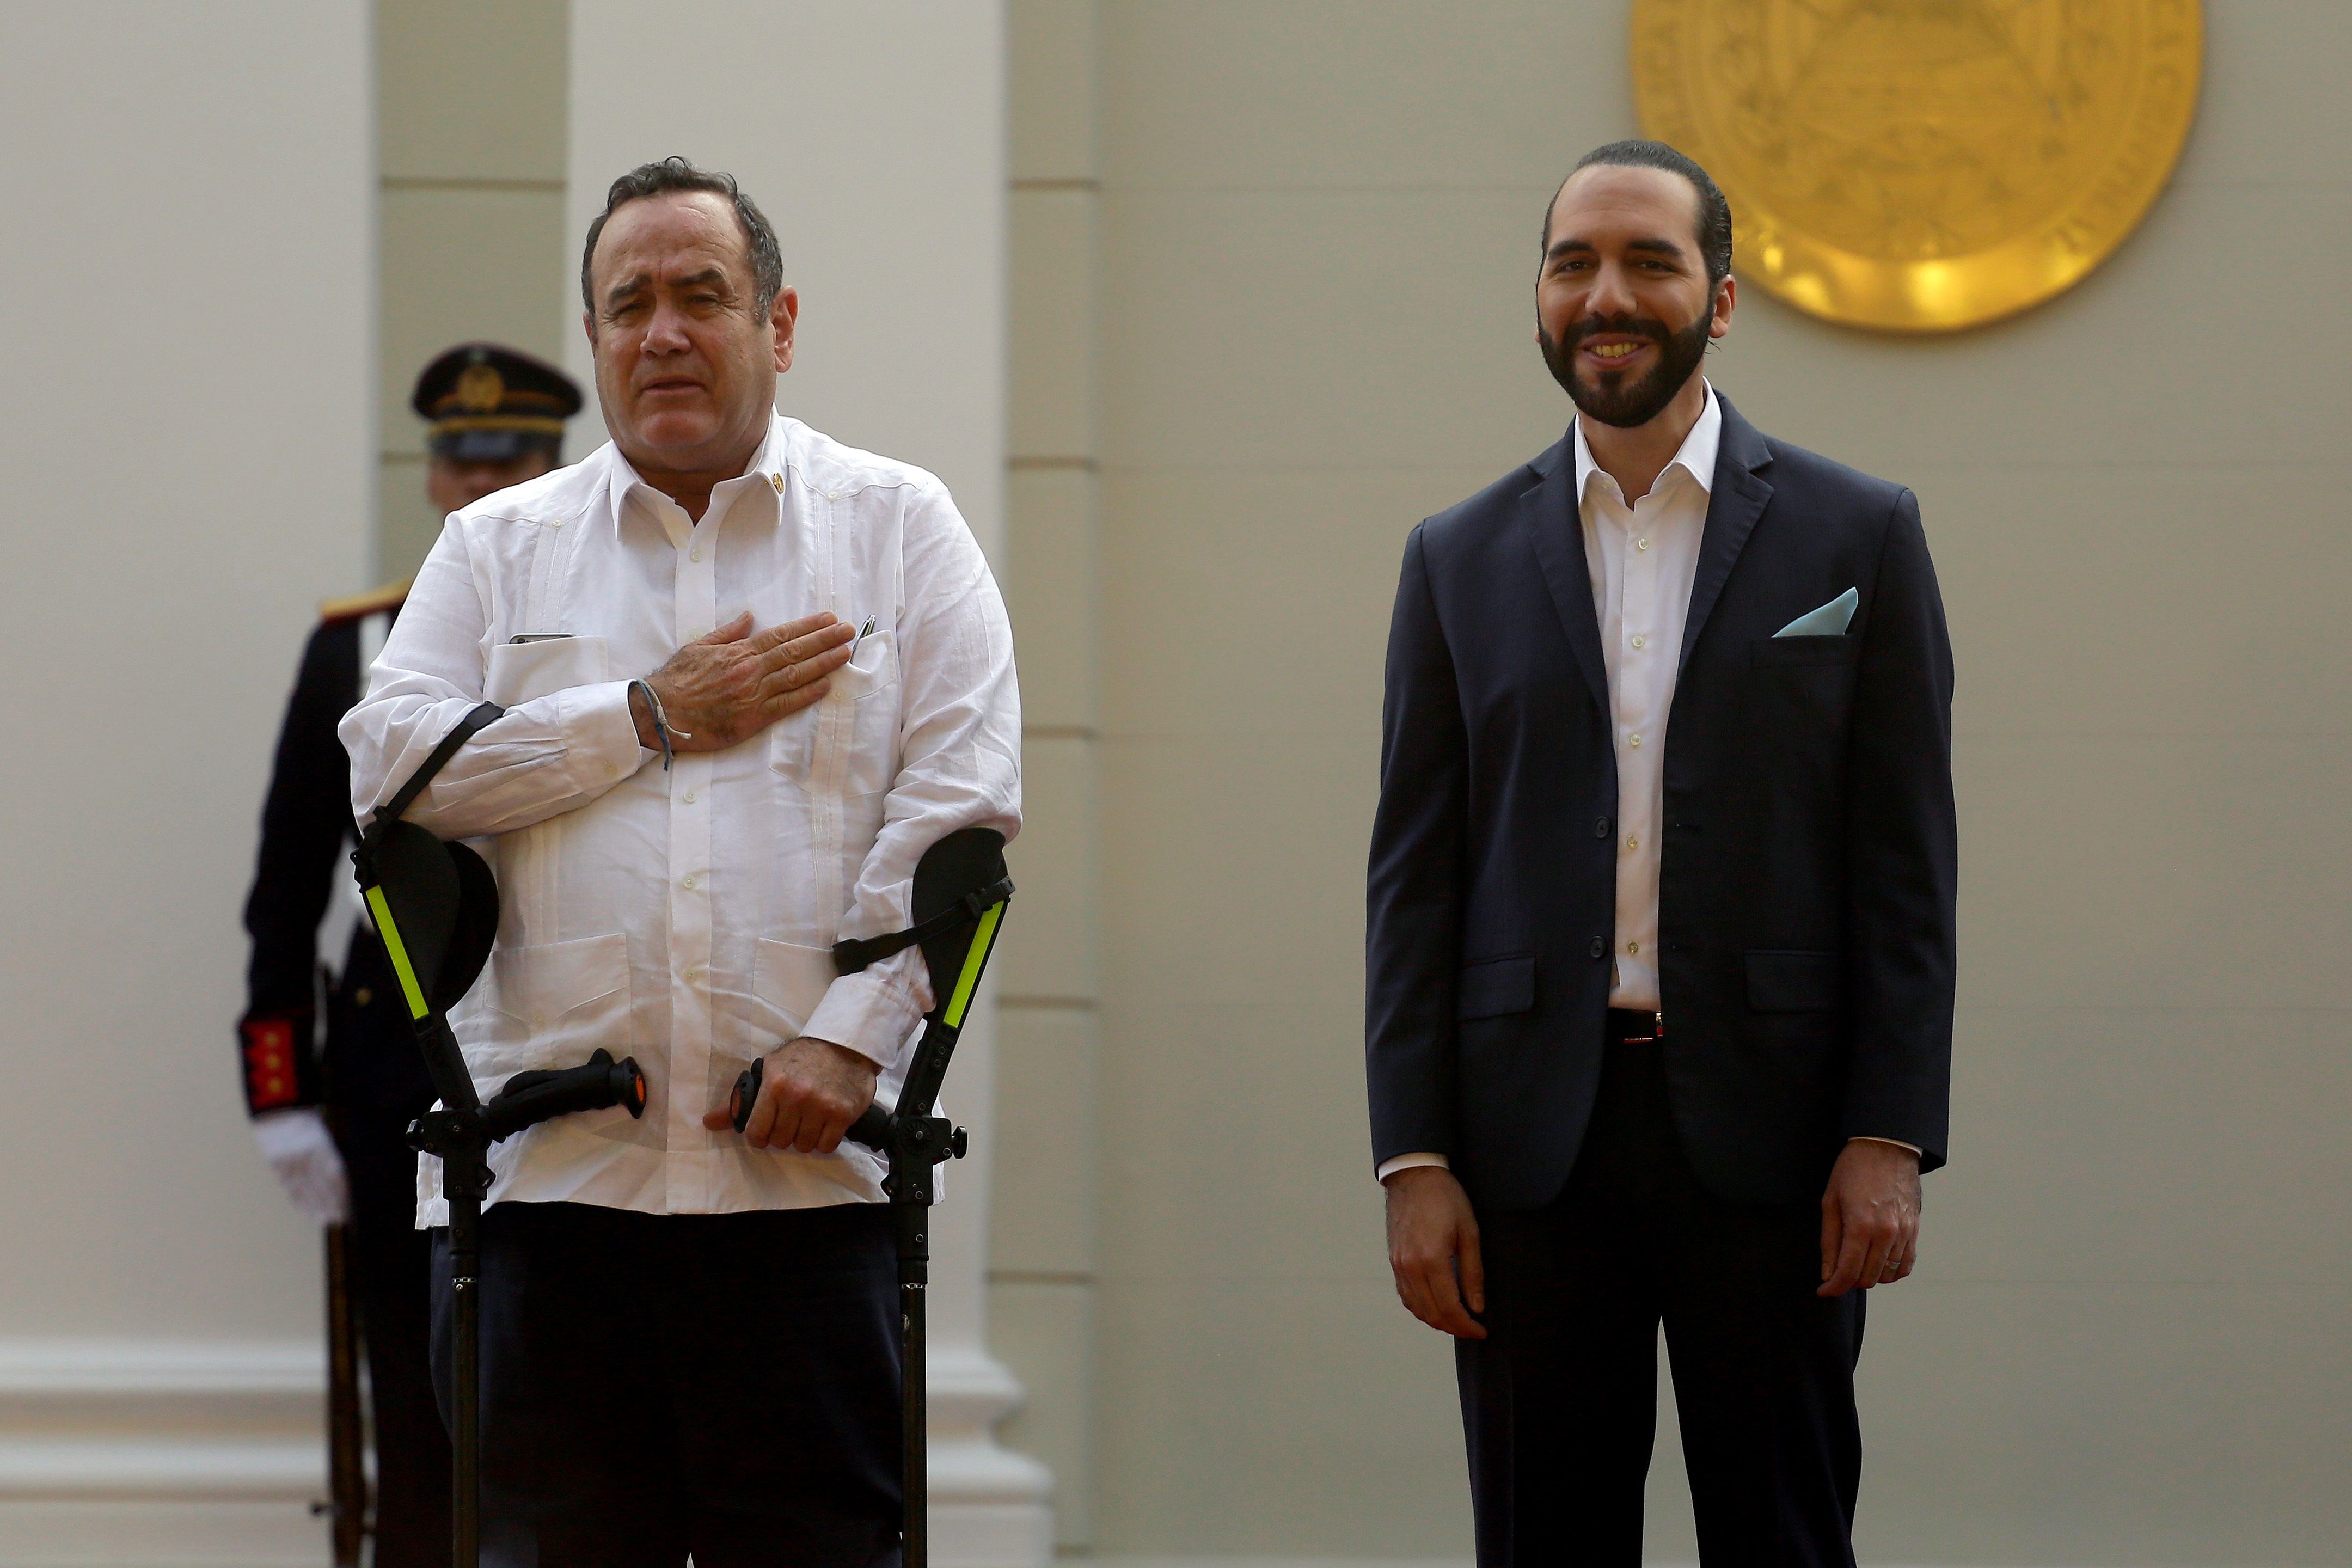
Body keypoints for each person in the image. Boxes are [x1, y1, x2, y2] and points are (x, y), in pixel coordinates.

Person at [340, 156, 1021, 1564]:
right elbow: (393, 772)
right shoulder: (495, 549)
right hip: (548, 1198)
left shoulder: (900, 530)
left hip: (808, 1191)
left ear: (777, 324)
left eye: (700, 295)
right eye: (627, 302)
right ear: (594, 339)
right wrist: (648, 717)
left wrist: (850, 1045)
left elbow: (962, 802)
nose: (662, 331)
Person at [1365, 140, 1956, 1566]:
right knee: (1542, 1541)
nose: (1607, 295)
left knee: (1786, 1535)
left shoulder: (1858, 530)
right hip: (1525, 1153)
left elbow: (1905, 864)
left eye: (1649, 263)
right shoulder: (1454, 558)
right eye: (1575, 265)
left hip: (1779, 1142)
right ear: (1541, 304)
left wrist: (1888, 1133)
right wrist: (1414, 1156)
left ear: (1724, 298)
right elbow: (1415, 876)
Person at [239, 342, 583, 1566]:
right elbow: (287, 883)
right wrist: (281, 1094)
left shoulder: (596, 631)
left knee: (564, 1392)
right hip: (393, 1071)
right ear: (435, 477)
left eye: (514, 459)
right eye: (461, 460)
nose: (483, 483)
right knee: (412, 1392)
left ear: (553, 465)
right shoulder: (358, 641)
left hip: (562, 1046)